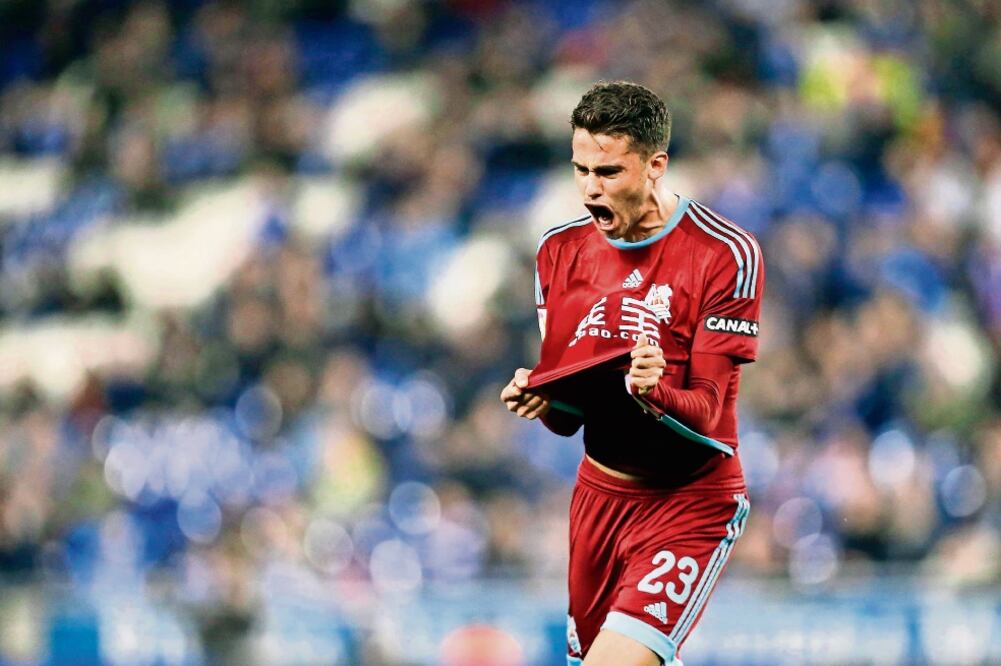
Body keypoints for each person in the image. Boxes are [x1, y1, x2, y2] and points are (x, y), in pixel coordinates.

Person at [501, 81, 763, 666]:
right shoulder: (557, 252)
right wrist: (540, 398)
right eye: (581, 170)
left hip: (689, 501)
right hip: (598, 500)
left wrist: (655, 391)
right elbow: (570, 420)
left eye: (609, 172)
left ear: (654, 166)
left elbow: (710, 412)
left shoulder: (724, 253)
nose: (590, 189)